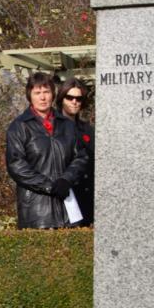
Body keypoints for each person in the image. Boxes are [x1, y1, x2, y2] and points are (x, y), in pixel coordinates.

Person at [6, 72, 87, 229]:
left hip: (68, 207)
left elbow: (81, 157)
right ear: (30, 96)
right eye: (37, 93)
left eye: (46, 92)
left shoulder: (67, 124)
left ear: (53, 94)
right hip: (37, 211)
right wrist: (49, 186)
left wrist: (66, 179)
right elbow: (16, 165)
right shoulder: (19, 126)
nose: (42, 97)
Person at [56, 77, 94, 227]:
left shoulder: (87, 129)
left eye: (78, 98)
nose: (74, 102)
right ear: (61, 98)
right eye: (70, 97)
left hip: (86, 197)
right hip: (63, 193)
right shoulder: (52, 127)